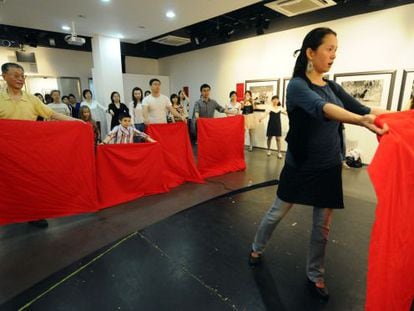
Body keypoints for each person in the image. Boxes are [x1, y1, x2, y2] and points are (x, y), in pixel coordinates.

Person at [248, 28, 388, 301]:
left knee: (322, 229)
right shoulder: (298, 86)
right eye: (329, 48)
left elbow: (364, 109)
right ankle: (256, 247)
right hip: (300, 166)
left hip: (327, 167)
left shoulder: (333, 86)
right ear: (311, 53)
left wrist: (400, 115)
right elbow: (322, 109)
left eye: (336, 49)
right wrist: (360, 122)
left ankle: (316, 275)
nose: (334, 54)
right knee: (277, 212)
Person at [0, 62, 81, 228]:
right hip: (5, 152)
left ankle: (34, 213)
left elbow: (51, 114)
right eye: (15, 75)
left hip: (28, 150)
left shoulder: (31, 99)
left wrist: (77, 122)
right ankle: (9, 213)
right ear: (4, 77)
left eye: (22, 76)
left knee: (30, 182)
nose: (20, 79)